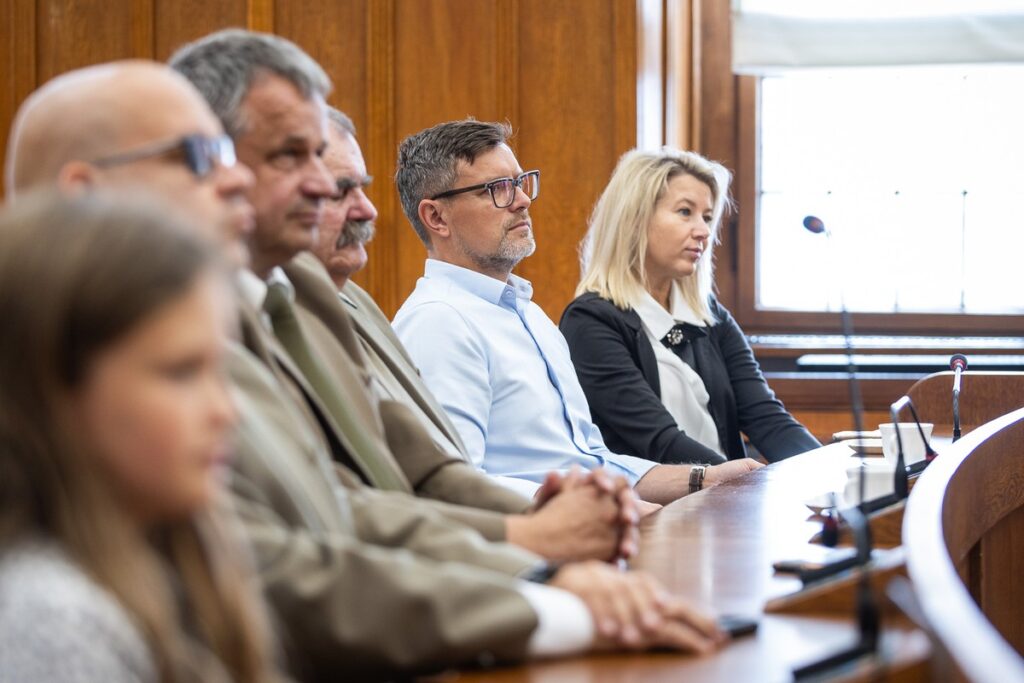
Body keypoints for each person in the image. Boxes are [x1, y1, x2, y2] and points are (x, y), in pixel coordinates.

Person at [168, 29, 727, 676]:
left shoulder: (331, 303)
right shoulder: (426, 318)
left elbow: (414, 475)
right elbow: (328, 527)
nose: (347, 201)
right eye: (294, 157)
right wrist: (535, 557)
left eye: (521, 182)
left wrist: (663, 493)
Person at [393, 119, 762, 506]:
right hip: (526, 554)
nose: (522, 200)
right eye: (497, 189)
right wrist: (598, 507)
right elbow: (454, 487)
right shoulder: (438, 321)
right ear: (436, 218)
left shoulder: (530, 315)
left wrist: (704, 478)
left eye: (521, 182)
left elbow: (592, 462)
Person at [0, 193, 282, 682]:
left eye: (220, 370)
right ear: (49, 388)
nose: (226, 410)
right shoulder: (51, 624)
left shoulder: (179, 557)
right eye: (181, 373)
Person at [560, 147, 820, 465]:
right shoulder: (590, 321)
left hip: (728, 498)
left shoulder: (709, 315)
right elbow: (661, 442)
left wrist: (827, 472)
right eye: (685, 212)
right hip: (651, 509)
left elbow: (767, 418)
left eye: (707, 217)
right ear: (634, 218)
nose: (703, 231)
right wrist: (742, 483)